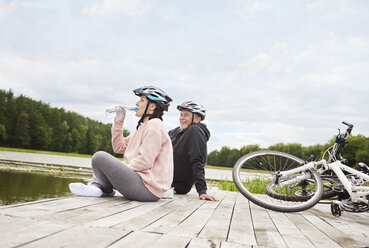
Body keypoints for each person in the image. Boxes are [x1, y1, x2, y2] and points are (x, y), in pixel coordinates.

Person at [69, 86, 173, 202]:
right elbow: (119, 147)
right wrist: (119, 122)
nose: (137, 103)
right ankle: (99, 188)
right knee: (99, 160)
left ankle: (99, 187)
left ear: (152, 106)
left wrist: (123, 168)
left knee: (100, 157)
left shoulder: (154, 126)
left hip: (147, 189)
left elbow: (145, 161)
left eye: (142, 100)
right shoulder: (142, 128)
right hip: (141, 184)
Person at [169, 100, 217, 201]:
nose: (182, 118)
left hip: (174, 184)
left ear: (197, 118)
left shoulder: (195, 130)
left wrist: (202, 191)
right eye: (181, 115)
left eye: (186, 115)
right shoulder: (176, 131)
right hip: (163, 179)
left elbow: (197, 160)